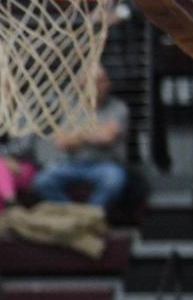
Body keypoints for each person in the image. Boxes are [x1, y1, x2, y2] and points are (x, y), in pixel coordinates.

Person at [34, 66, 131, 212]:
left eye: (101, 81)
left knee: (113, 180)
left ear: (108, 83)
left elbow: (107, 138)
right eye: (92, 82)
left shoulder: (118, 107)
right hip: (71, 164)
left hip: (105, 165)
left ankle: (90, 217)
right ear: (82, 85)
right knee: (42, 181)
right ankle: (74, 217)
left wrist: (79, 134)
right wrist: (95, 133)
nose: (97, 86)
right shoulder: (71, 108)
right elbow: (62, 142)